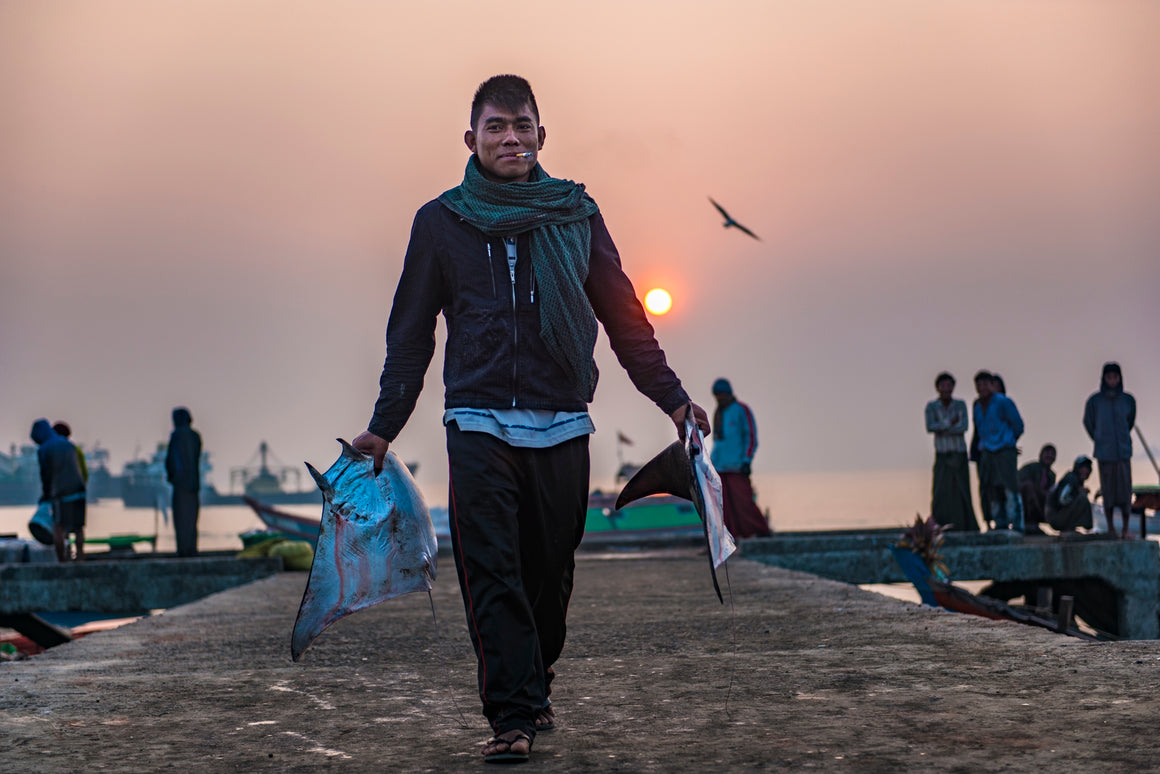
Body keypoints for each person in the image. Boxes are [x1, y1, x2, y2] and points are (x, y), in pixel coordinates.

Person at [349, 75, 709, 764]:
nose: (510, 138)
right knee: (491, 572)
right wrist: (384, 424)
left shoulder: (576, 214)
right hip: (478, 423)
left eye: (522, 126)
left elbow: (625, 316)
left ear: (542, 136)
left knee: (551, 573)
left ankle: (535, 680)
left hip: (563, 422)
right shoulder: (441, 222)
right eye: (495, 126)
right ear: (471, 138)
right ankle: (511, 714)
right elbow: (411, 334)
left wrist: (672, 398)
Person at [709, 378, 772, 539]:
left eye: (722, 395)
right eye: (717, 395)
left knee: (743, 503)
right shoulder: (718, 413)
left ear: (729, 394)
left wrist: (747, 460)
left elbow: (750, 437)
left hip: (737, 466)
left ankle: (761, 531)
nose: (720, 398)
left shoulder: (741, 410)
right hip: (719, 467)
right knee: (724, 507)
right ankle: (730, 537)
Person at [1083, 362, 1138, 538]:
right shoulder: (1095, 401)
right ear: (1104, 379)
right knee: (1108, 492)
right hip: (1105, 454)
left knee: (1125, 491)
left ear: (1120, 378)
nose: (1112, 380)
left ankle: (1126, 528)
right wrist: (1100, 438)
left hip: (1122, 453)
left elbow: (1130, 421)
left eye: (1115, 377)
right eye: (1109, 377)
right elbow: (1088, 422)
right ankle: (1111, 528)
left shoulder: (1128, 400)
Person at [924, 372, 977, 532]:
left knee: (962, 491)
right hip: (942, 454)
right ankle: (939, 524)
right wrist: (949, 423)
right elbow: (931, 427)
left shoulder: (959, 405)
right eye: (943, 385)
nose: (946, 389)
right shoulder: (932, 407)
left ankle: (965, 525)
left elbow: (963, 426)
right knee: (940, 491)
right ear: (938, 388)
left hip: (959, 453)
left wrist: (943, 427)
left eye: (949, 385)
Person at [973, 370, 1025, 531]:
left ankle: (1016, 523)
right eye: (979, 385)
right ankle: (999, 523)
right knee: (991, 489)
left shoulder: (1003, 402)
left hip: (1004, 449)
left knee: (1010, 487)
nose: (982, 388)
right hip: (987, 451)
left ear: (992, 385)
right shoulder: (977, 405)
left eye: (985, 384)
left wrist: (1008, 441)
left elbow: (1018, 425)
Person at [30, 418, 87, 562]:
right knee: (78, 527)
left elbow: (46, 474)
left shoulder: (44, 448)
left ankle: (62, 562)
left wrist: (46, 494)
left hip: (62, 492)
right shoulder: (68, 445)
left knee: (58, 527)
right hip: (79, 489)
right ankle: (80, 559)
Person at [165, 407, 202, 557]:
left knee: (181, 521)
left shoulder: (176, 436)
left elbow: (171, 461)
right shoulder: (195, 437)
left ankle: (183, 550)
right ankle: (191, 549)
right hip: (193, 486)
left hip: (180, 486)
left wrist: (173, 478)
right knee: (192, 520)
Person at [1047, 456, 1094, 534]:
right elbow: (1062, 499)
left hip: (1058, 515)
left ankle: (1072, 527)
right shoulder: (1071, 479)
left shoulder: (1076, 480)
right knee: (1082, 498)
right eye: (1083, 468)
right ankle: (1069, 528)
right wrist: (1077, 492)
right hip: (1056, 517)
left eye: (1088, 468)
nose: (1086, 471)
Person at [1018, 444, 1057, 535]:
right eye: (1047, 453)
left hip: (1041, 501)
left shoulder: (1051, 475)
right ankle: (1029, 523)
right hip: (1025, 499)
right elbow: (1020, 482)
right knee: (1029, 487)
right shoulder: (1030, 467)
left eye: (1052, 454)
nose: (1049, 456)